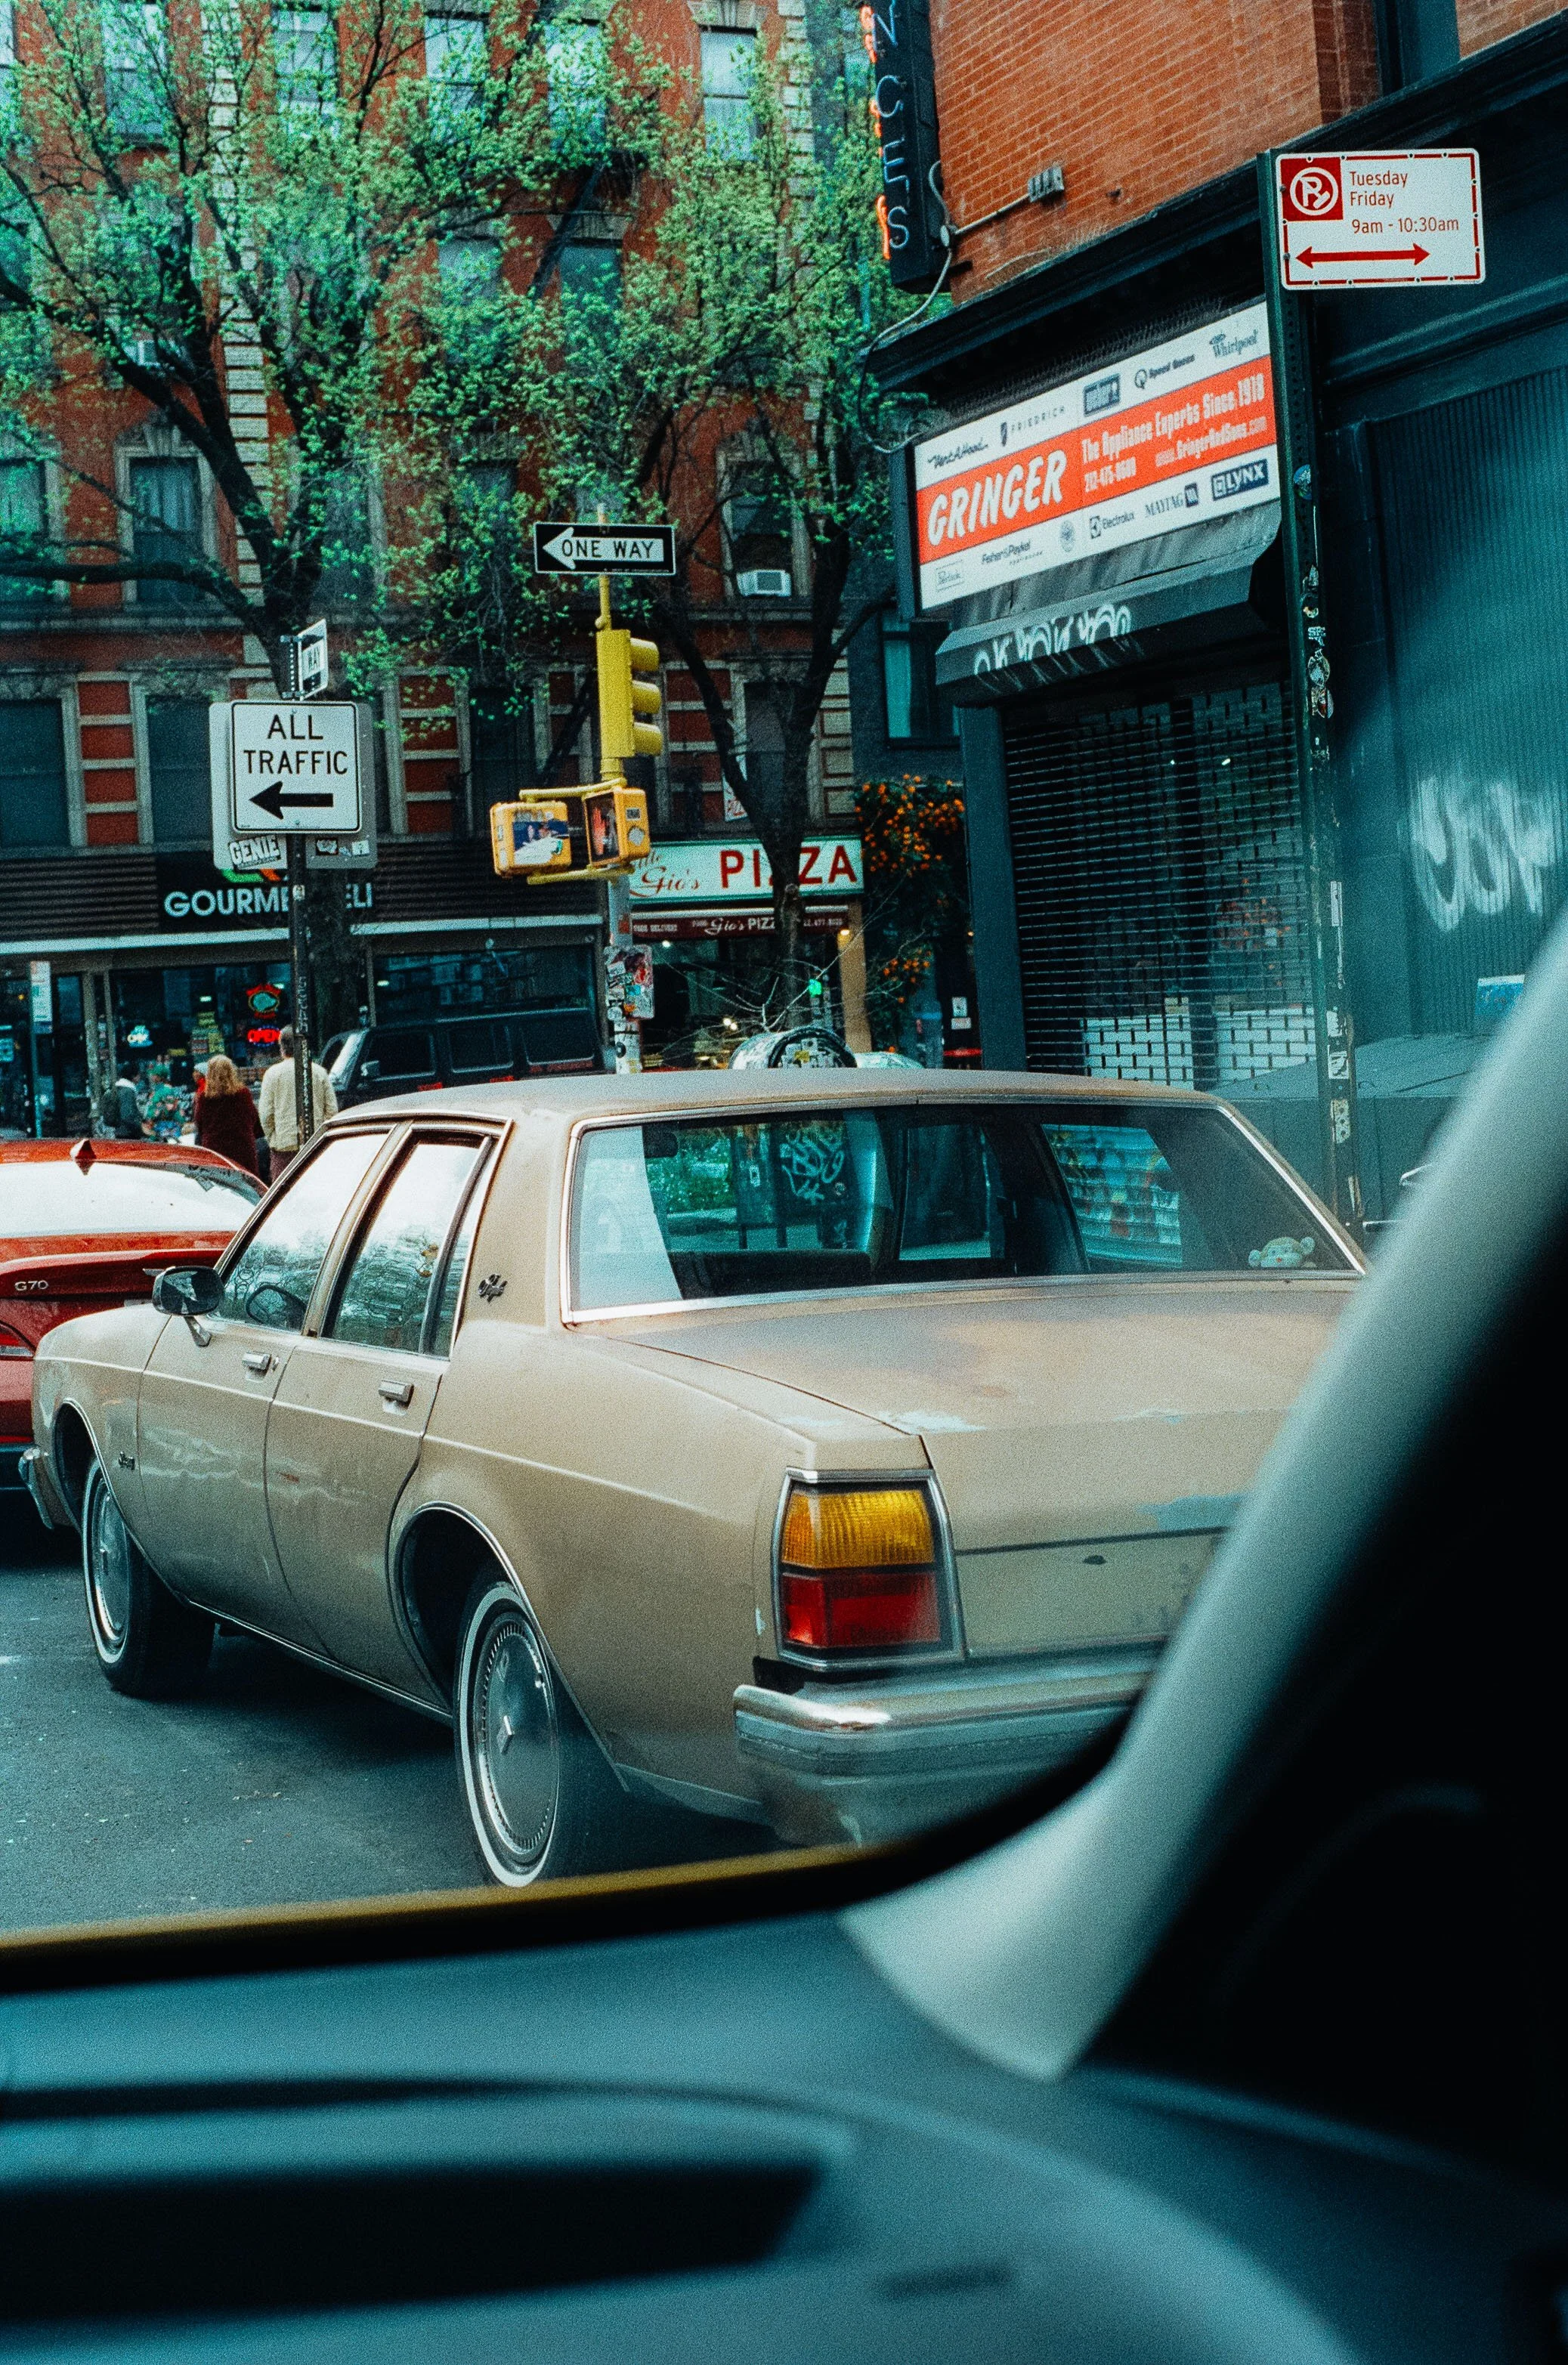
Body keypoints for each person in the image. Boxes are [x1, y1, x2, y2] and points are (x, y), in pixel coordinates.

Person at [258, 1027, 338, 1181]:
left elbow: (266, 1114)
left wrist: (274, 1138)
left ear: (282, 1047)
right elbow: (332, 1110)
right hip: (315, 1144)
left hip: (284, 1147)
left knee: (285, 1196)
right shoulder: (319, 1072)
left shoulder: (272, 1074)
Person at [193, 1055, 262, 1176]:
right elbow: (254, 1120)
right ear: (231, 1072)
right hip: (243, 1149)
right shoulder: (243, 1094)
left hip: (216, 1152)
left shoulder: (204, 1097)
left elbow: (199, 1124)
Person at [98, 1067, 147, 1140]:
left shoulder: (117, 1088)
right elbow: (127, 1116)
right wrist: (141, 1128)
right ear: (133, 1076)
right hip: (128, 1133)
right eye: (138, 1075)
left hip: (119, 1131)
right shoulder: (128, 1091)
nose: (140, 1077)